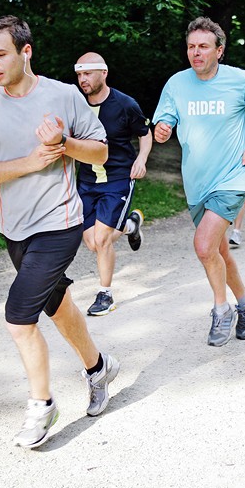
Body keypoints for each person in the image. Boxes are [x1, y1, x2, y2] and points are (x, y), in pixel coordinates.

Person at [0, 16, 120, 449]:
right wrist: (30, 161)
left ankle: (41, 405)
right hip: (15, 228)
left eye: (1, 54)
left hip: (61, 222)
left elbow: (101, 150)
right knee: (58, 306)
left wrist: (64, 144)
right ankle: (99, 367)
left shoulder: (64, 96)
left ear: (25, 52)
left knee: (18, 317)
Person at [153, 16, 245, 347]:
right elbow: (164, 120)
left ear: (219, 51)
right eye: (191, 47)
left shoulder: (242, 80)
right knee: (219, 250)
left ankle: (222, 309)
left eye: (203, 47)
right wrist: (161, 129)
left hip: (233, 177)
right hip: (196, 183)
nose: (196, 53)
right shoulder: (177, 83)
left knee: (204, 246)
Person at [74, 52, 152, 315]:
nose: (83, 80)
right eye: (79, 75)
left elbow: (145, 133)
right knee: (92, 242)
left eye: (87, 74)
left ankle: (105, 294)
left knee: (102, 238)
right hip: (86, 181)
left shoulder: (125, 104)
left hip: (118, 178)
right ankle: (131, 225)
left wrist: (141, 159)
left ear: (103, 73)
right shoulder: (77, 105)